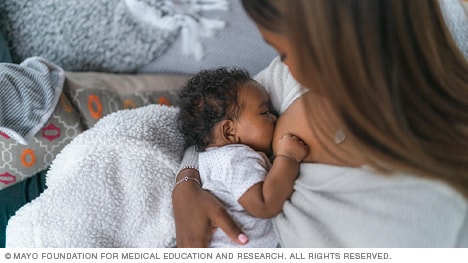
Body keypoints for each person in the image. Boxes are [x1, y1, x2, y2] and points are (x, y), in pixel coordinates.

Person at [172, 0, 468, 247]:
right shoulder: (286, 83)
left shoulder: (431, 217)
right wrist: (186, 185)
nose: (281, 64)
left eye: (285, 53)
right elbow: (210, 125)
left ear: (330, 40)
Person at [177, 67, 309, 247]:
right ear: (229, 132)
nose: (275, 117)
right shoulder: (235, 159)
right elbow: (265, 204)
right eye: (264, 112)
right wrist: (288, 158)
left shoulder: (210, 159)